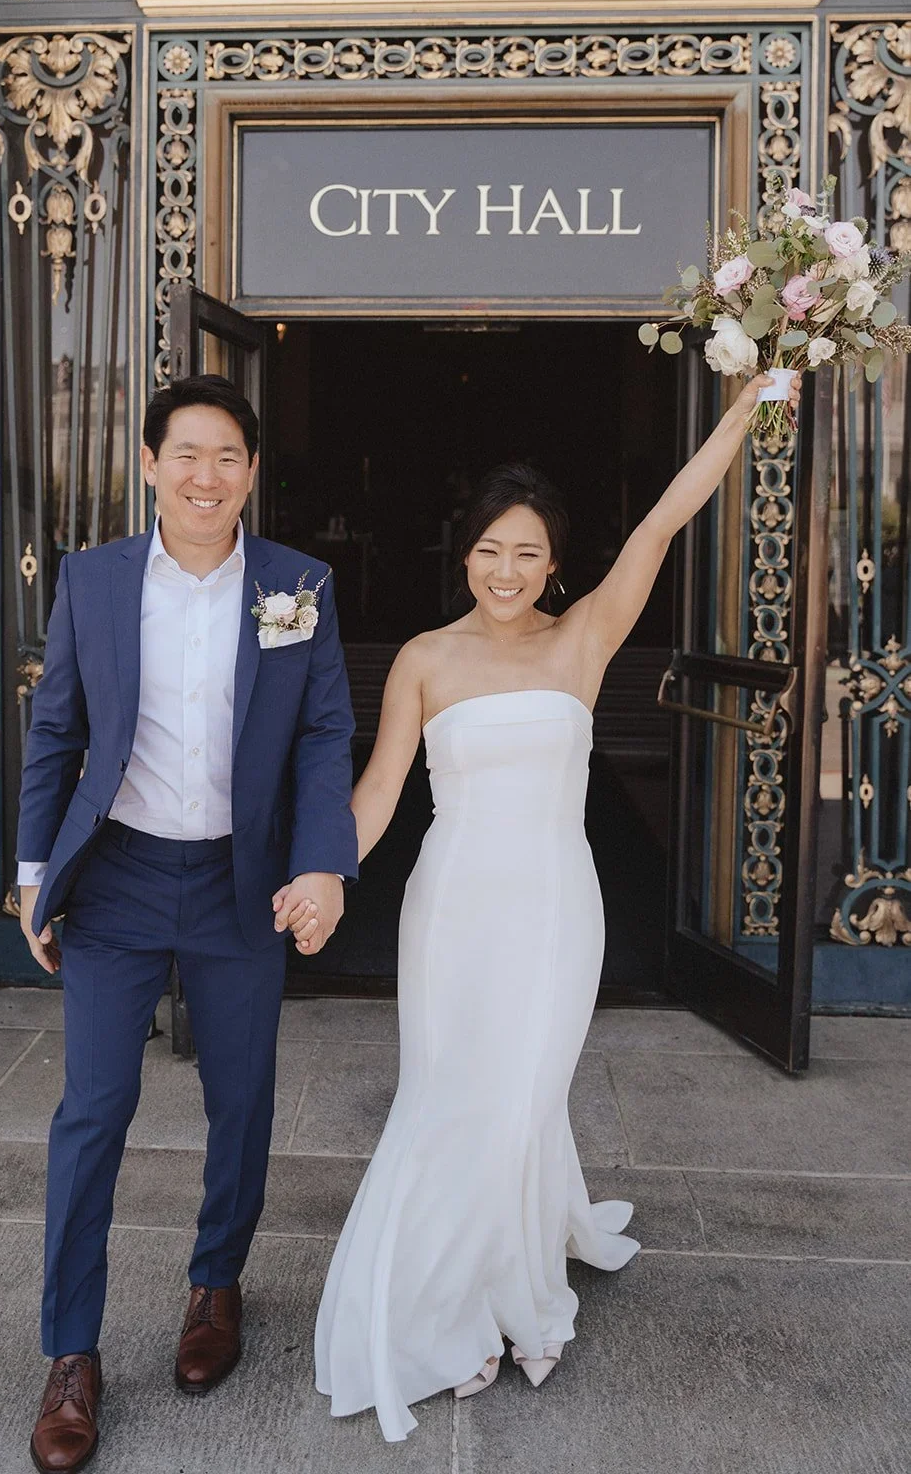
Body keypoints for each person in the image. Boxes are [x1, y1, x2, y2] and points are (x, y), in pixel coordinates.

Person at [298, 372, 802, 1441]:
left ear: (554, 564)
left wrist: (747, 404)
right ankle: (457, 1300)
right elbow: (381, 790)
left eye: (527, 552)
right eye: (489, 548)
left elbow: (667, 517)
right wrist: (323, 871)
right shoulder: (425, 659)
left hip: (552, 909)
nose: (505, 571)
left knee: (520, 1095)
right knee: (451, 1095)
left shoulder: (583, 640)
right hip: (450, 907)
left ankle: (518, 1283)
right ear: (463, 551)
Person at [17, 374, 356, 1474]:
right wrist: (33, 871)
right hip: (114, 879)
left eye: (228, 457)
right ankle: (72, 1353)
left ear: (251, 473)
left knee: (240, 1099)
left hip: (236, 882)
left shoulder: (296, 584)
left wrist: (321, 863)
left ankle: (215, 1285)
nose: (206, 475)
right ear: (152, 465)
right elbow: (56, 728)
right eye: (187, 454)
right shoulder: (96, 579)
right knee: (93, 1112)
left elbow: (319, 733)